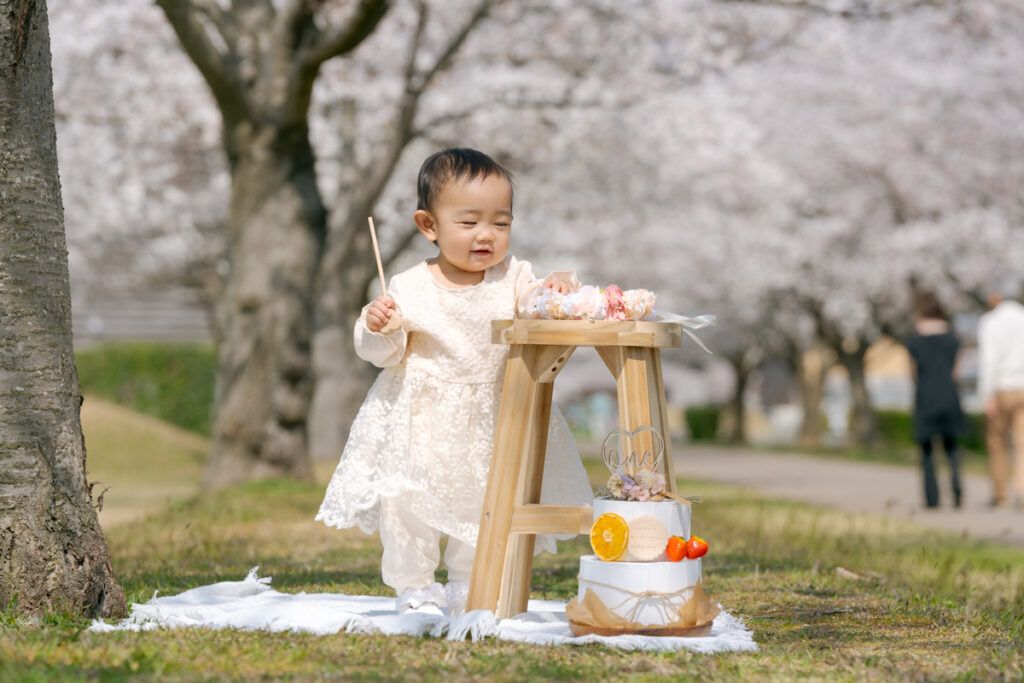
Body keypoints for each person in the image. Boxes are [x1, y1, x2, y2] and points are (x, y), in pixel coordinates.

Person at [315, 148, 592, 616]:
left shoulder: (512, 277)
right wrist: (378, 325)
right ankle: (414, 587)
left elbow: (534, 303)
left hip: (492, 414)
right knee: (408, 505)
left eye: (500, 224)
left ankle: (470, 583)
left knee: (485, 499)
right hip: (420, 417)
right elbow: (383, 354)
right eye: (469, 223)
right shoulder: (408, 286)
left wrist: (553, 292)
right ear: (429, 226)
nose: (486, 235)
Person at [904, 291, 965, 508]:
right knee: (952, 447)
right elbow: (957, 370)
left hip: (925, 396)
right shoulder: (952, 338)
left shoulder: (916, 341)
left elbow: (912, 373)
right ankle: (957, 487)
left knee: (927, 450)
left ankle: (932, 498)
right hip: (949, 395)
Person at [977, 279, 1024, 508]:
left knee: (997, 442)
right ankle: (1022, 490)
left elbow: (989, 360)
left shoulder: (990, 321)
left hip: (1002, 388)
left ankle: (1001, 494)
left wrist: (987, 394)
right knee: (1022, 443)